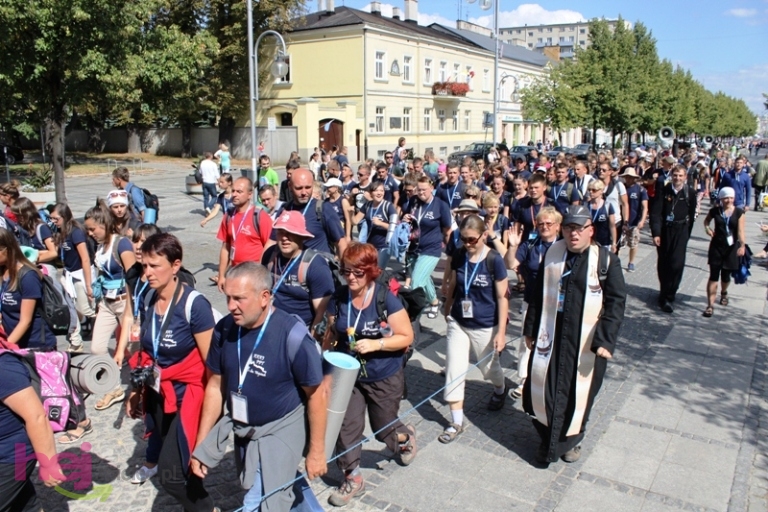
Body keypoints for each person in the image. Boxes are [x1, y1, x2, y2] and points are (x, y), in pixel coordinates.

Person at [192, 262, 327, 512]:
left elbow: (317, 395)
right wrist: (203, 445)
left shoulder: (293, 336)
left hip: (281, 429)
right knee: (280, 482)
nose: (231, 306)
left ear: (264, 297)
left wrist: (317, 451)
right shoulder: (224, 329)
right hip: (243, 428)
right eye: (228, 297)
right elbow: (214, 385)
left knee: (260, 501)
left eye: (239, 299)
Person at [523, 205, 626, 464]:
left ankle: (572, 440)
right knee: (542, 388)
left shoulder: (606, 260)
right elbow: (537, 294)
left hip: (587, 343)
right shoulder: (553, 253)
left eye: (579, 229)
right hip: (552, 335)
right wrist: (530, 328)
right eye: (569, 228)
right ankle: (547, 440)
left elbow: (616, 302)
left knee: (579, 394)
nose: (573, 234)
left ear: (590, 231)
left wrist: (605, 340)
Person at [125, 233, 217, 511]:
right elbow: (146, 351)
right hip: (158, 393)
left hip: (188, 395)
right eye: (144, 265)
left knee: (170, 476)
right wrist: (135, 391)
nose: (147, 272)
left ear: (176, 266)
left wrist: (210, 422)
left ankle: (205, 508)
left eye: (155, 266)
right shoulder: (148, 298)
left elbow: (213, 366)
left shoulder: (194, 305)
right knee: (182, 470)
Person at [323, 243, 415, 507]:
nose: (351, 277)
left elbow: (406, 336)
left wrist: (377, 344)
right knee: (346, 426)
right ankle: (353, 477)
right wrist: (325, 358)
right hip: (348, 373)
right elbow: (331, 332)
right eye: (346, 271)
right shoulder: (339, 297)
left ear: (371, 271)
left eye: (358, 272)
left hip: (383, 373)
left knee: (383, 428)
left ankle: (405, 437)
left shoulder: (385, 298)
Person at [0, 228, 93, 444]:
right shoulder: (4, 274)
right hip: (16, 345)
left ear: (6, 249)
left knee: (59, 387)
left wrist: (7, 346)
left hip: (37, 343)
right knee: (33, 391)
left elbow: (26, 319)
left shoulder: (28, 275)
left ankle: (82, 421)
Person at [438, 215, 509, 443]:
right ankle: (456, 421)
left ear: (483, 236)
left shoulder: (494, 260)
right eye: (463, 240)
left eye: (471, 240)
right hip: (459, 321)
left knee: (489, 368)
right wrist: (447, 306)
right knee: (454, 368)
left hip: (486, 324)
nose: (467, 244)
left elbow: (503, 297)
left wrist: (501, 332)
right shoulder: (459, 254)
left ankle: (500, 389)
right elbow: (455, 284)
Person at [114, 223, 164, 483]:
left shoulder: (166, 280)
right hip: (142, 348)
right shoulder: (133, 274)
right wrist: (122, 349)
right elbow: (129, 312)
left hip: (161, 351)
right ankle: (153, 459)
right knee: (149, 406)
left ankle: (166, 457)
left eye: (142, 241)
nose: (136, 245)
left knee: (161, 406)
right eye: (135, 240)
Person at [84, 200, 137, 411]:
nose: (90, 233)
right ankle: (114, 387)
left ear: (104, 224)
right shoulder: (100, 246)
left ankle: (139, 390)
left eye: (92, 229)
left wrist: (131, 308)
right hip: (107, 302)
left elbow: (133, 276)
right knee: (97, 347)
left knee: (134, 349)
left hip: (125, 301)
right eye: (87, 229)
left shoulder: (121, 244)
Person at [0, 348, 63, 512]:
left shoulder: (3, 367)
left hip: (14, 455)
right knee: (22, 502)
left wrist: (48, 464)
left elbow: (36, 417)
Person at [510, 207, 561, 398]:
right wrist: (513, 246)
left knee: (553, 341)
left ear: (557, 226)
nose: (544, 227)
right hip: (531, 301)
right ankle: (524, 380)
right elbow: (511, 264)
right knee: (527, 340)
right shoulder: (531, 244)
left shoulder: (563, 246)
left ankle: (548, 379)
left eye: (549, 223)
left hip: (556, 303)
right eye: (541, 224)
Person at [262, 212, 335, 333]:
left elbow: (322, 314)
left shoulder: (315, 265)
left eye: (290, 233)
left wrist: (312, 343)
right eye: (281, 232)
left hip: (297, 332)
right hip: (268, 325)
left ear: (301, 236)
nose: (285, 238)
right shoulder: (269, 255)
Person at [402, 176, 452, 319]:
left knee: (416, 281)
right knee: (424, 277)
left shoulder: (441, 205)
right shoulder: (414, 201)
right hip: (414, 247)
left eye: (424, 190)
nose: (421, 192)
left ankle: (412, 316)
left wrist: (448, 247)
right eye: (419, 190)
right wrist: (405, 218)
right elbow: (406, 216)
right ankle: (435, 302)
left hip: (432, 248)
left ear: (432, 189)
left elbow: (447, 228)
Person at [268, 168, 347, 257]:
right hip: (289, 269)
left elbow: (341, 243)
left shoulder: (324, 208)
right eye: (299, 188)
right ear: (290, 186)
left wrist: (342, 268)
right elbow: (272, 242)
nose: (304, 192)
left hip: (317, 268)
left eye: (308, 187)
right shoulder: (284, 210)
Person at [650, 165, 697, 313]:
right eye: (675, 175)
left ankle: (670, 294)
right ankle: (663, 293)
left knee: (677, 264)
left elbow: (691, 216)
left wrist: (686, 235)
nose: (677, 178)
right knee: (664, 263)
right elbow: (655, 213)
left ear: (685, 177)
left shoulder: (690, 193)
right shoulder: (664, 190)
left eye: (680, 176)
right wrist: (656, 233)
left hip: (681, 230)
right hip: (665, 230)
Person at [51, 203, 95, 353]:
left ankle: (102, 320)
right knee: (71, 306)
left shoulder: (76, 232)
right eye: (51, 219)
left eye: (56, 218)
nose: (53, 221)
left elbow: (85, 258)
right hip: (68, 274)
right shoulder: (59, 231)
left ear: (64, 216)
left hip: (81, 273)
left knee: (86, 308)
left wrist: (88, 284)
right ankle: (77, 338)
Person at [216, 177, 273, 293]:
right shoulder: (228, 216)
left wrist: (262, 273)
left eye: (239, 192)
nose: (235, 194)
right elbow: (225, 248)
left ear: (249, 194)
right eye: (233, 191)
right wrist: (221, 275)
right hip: (235, 273)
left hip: (255, 277)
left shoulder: (260, 216)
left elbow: (271, 247)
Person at [701, 187, 745, 317]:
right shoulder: (715, 211)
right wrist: (708, 229)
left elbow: (741, 231)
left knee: (726, 276)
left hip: (731, 248)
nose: (728, 200)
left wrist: (742, 245)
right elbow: (706, 221)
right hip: (716, 247)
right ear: (721, 198)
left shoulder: (739, 212)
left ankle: (724, 292)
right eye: (726, 198)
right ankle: (710, 305)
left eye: (731, 198)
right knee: (714, 275)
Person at [352, 181, 398, 268]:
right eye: (376, 191)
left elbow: (395, 227)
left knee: (378, 271)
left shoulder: (388, 206)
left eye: (381, 191)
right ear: (370, 193)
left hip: (384, 246)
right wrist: (350, 213)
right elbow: (355, 221)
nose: (379, 193)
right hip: (370, 246)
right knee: (369, 271)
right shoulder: (368, 205)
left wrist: (380, 223)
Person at [619, 169, 649, 272]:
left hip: (634, 221)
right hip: (621, 220)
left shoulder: (640, 190)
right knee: (619, 243)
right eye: (626, 177)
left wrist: (642, 220)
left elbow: (645, 207)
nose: (628, 179)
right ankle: (616, 262)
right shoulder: (620, 187)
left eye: (630, 177)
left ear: (635, 178)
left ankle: (631, 262)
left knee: (633, 243)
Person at [11, 197, 56, 263]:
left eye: (19, 215)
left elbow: (53, 252)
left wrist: (33, 258)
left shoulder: (42, 228)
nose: (18, 218)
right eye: (16, 215)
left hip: (43, 265)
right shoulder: (20, 228)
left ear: (27, 213)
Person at [585, 180, 616, 250]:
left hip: (604, 242)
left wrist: (614, 243)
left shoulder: (608, 205)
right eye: (589, 190)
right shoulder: (585, 205)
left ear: (601, 191)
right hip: (589, 241)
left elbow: (612, 226)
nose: (590, 192)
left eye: (594, 190)